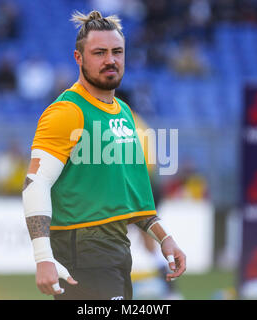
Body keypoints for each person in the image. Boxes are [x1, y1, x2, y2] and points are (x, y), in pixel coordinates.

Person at [22, 10, 186, 300]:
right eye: (99, 53)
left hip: (117, 251)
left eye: (117, 52)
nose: (110, 60)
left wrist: (164, 238)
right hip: (82, 253)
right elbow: (35, 184)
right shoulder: (67, 112)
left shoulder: (123, 113)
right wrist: (42, 256)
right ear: (79, 58)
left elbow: (133, 195)